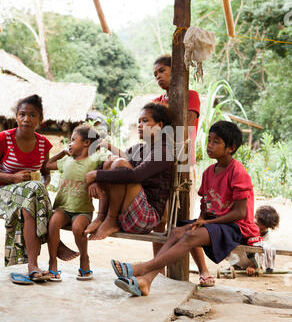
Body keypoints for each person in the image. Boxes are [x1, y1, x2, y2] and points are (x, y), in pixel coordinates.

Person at [110, 120, 262, 297]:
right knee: (175, 232)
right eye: (209, 141)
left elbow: (240, 213)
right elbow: (206, 203)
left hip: (237, 227)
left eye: (216, 142)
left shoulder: (238, 171)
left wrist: (207, 222)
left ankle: (142, 268)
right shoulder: (209, 172)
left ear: (231, 147)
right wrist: (200, 219)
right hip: (215, 224)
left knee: (191, 235)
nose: (210, 146)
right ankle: (146, 281)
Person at [152, 54, 212, 284]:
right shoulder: (158, 100)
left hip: (184, 161)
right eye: (155, 74)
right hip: (161, 161)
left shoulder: (191, 95)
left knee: (184, 220)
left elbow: (184, 125)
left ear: (175, 72)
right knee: (159, 218)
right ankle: (158, 271)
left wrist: (161, 114)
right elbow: (153, 131)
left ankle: (203, 270)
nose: (157, 76)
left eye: (162, 71)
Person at [84, 103, 174, 241]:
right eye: (138, 121)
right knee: (111, 160)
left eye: (145, 121)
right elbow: (106, 165)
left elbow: (136, 175)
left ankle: (111, 220)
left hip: (145, 217)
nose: (139, 125)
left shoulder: (163, 152)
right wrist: (95, 180)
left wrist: (96, 175)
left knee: (120, 163)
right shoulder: (139, 149)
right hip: (128, 213)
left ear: (159, 125)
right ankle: (101, 217)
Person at [0, 95, 53, 282]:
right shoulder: (4, 138)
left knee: (31, 197)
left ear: (40, 119)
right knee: (32, 190)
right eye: (22, 114)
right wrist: (13, 178)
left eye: (32, 115)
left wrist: (44, 183)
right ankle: (50, 249)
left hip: (27, 197)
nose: (27, 119)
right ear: (16, 117)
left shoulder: (43, 143)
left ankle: (32, 266)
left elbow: (45, 173)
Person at [45, 124, 108, 281]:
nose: (70, 143)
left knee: (77, 227)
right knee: (52, 223)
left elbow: (119, 159)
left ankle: (84, 258)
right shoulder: (66, 161)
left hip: (82, 210)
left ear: (86, 143)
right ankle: (52, 262)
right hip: (63, 207)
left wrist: (105, 145)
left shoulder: (94, 159)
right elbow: (45, 166)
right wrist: (61, 152)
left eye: (73, 140)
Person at [232, 205, 280, 276]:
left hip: (251, 260)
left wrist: (253, 266)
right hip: (239, 255)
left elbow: (262, 253)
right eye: (257, 225)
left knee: (263, 248)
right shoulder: (246, 225)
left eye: (262, 229)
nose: (258, 230)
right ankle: (236, 264)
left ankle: (253, 266)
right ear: (254, 218)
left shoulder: (265, 236)